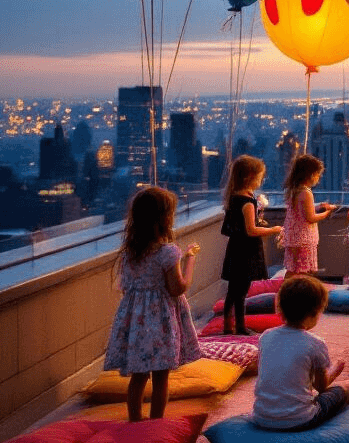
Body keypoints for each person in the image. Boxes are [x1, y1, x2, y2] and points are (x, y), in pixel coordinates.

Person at [104, 186, 202, 421]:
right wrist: (190, 260)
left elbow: (128, 285)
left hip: (136, 324)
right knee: (161, 377)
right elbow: (177, 288)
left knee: (139, 377)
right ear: (164, 218)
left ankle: (135, 421)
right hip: (160, 322)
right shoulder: (168, 252)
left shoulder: (130, 252)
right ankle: (156, 422)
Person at [251, 275, 349, 430]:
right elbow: (321, 387)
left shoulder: (265, 336)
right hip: (301, 420)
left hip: (261, 418)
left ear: (280, 308)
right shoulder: (315, 343)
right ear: (315, 312)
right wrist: (336, 369)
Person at [221, 155, 282, 335]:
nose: (260, 180)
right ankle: (240, 326)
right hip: (246, 251)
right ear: (249, 177)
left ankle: (228, 325)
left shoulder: (234, 197)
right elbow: (251, 230)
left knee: (233, 290)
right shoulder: (247, 202)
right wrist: (273, 229)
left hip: (235, 248)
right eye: (259, 176)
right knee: (241, 291)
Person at [281, 153, 337, 278]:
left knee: (292, 270)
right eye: (318, 174)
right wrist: (326, 213)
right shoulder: (306, 193)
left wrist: (318, 207)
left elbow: (300, 211)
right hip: (304, 239)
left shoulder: (294, 190)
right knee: (303, 271)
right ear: (311, 174)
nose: (319, 177)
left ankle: (283, 294)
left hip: (292, 237)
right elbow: (310, 218)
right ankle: (297, 294)